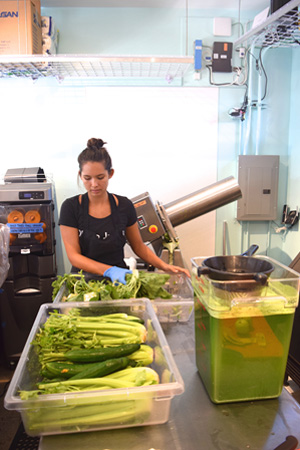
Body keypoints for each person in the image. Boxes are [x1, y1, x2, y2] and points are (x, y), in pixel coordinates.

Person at [59, 138, 190, 284]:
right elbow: (74, 256)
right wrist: (109, 270)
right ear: (80, 175)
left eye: (100, 177)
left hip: (119, 283)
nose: (94, 184)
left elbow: (138, 246)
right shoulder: (70, 208)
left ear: (111, 173)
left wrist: (165, 266)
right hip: (82, 284)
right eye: (87, 178)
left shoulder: (124, 205)